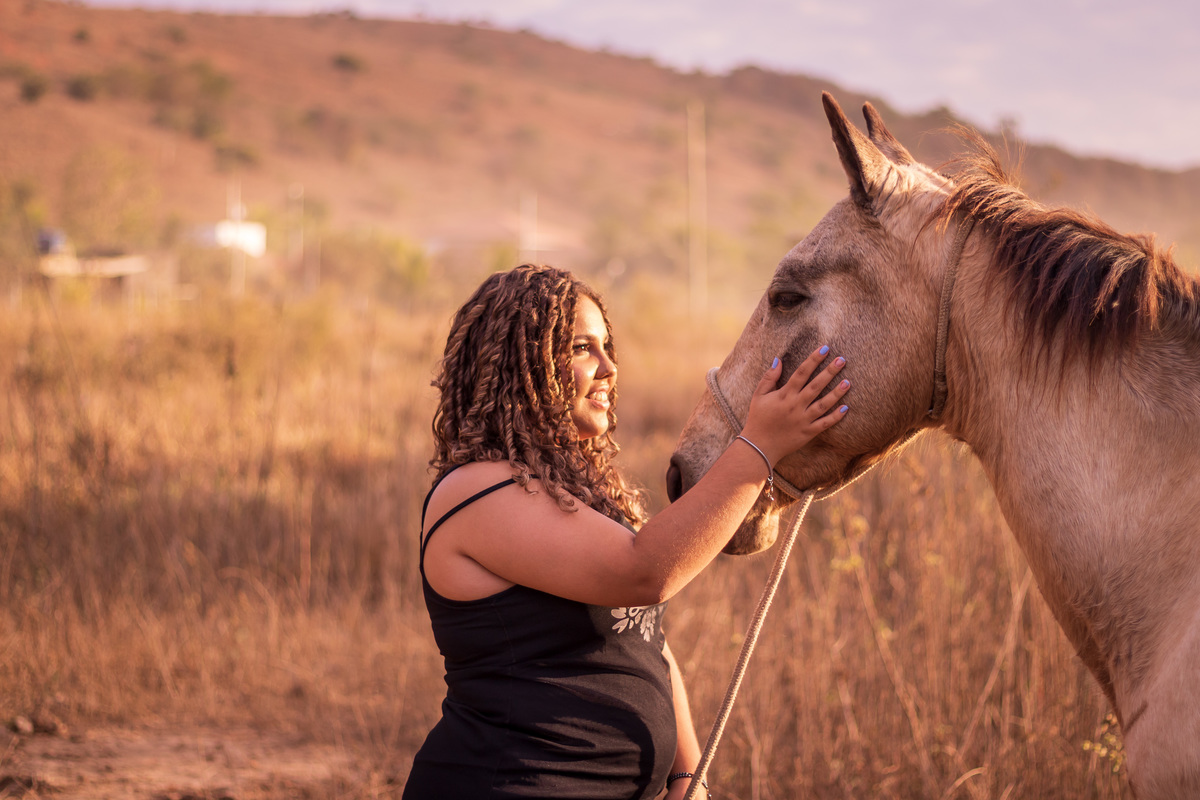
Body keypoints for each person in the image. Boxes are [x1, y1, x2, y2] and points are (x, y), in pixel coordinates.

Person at [403, 264, 849, 799]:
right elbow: (645, 574)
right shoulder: (476, 491)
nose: (609, 367)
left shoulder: (568, 491)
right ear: (516, 365)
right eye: (581, 348)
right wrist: (758, 447)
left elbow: (644, 640)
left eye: (606, 346)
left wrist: (687, 775)